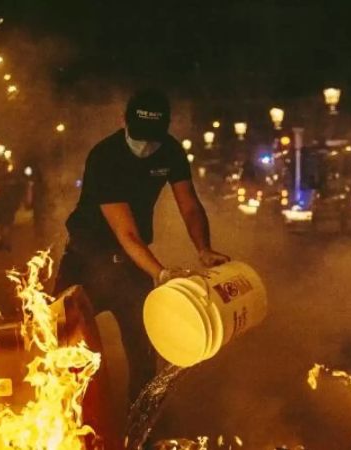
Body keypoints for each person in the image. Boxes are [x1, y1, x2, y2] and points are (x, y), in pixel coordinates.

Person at [54, 88, 230, 401]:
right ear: (123, 121)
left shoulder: (171, 152)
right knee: (57, 344)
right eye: (139, 136)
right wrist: (162, 274)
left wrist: (204, 249)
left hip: (131, 267)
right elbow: (127, 234)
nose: (145, 146)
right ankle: (63, 419)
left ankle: (140, 434)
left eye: (153, 137)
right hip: (87, 260)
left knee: (145, 356)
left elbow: (189, 205)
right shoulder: (105, 156)